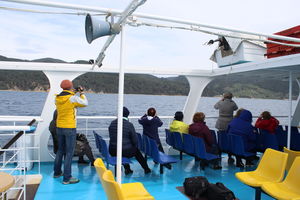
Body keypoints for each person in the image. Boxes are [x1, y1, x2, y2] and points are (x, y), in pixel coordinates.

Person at [53, 80, 88, 185]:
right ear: (71, 87)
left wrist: (73, 92)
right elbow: (85, 103)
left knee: (60, 150)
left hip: (59, 127)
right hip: (69, 128)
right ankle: (67, 178)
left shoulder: (57, 98)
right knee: (69, 153)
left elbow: (67, 98)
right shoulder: (72, 98)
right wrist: (81, 93)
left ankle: (57, 172)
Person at [108, 107, 151, 175]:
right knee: (136, 152)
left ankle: (128, 169)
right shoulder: (129, 125)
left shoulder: (112, 123)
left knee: (124, 148)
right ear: (127, 115)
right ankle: (146, 169)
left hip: (112, 150)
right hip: (123, 151)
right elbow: (135, 141)